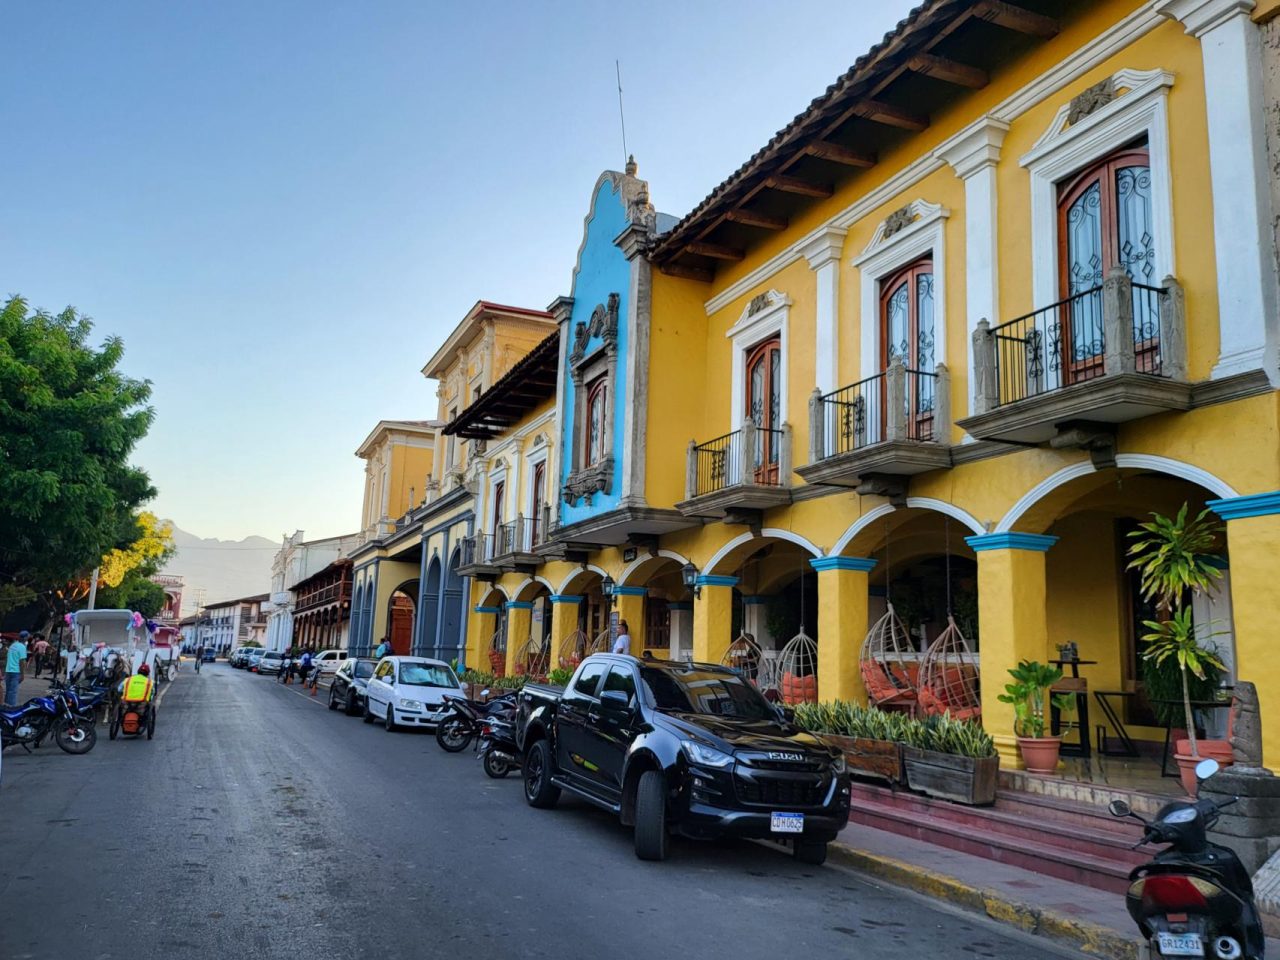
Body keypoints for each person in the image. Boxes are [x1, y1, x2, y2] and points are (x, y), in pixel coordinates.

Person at [4, 633, 29, 707]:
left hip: (8, 670)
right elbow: (22, 662)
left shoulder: (13, 645)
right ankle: (11, 708)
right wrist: (22, 674)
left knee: (8, 690)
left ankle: (6, 706)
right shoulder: (22, 647)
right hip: (16, 671)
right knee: (13, 691)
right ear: (25, 638)